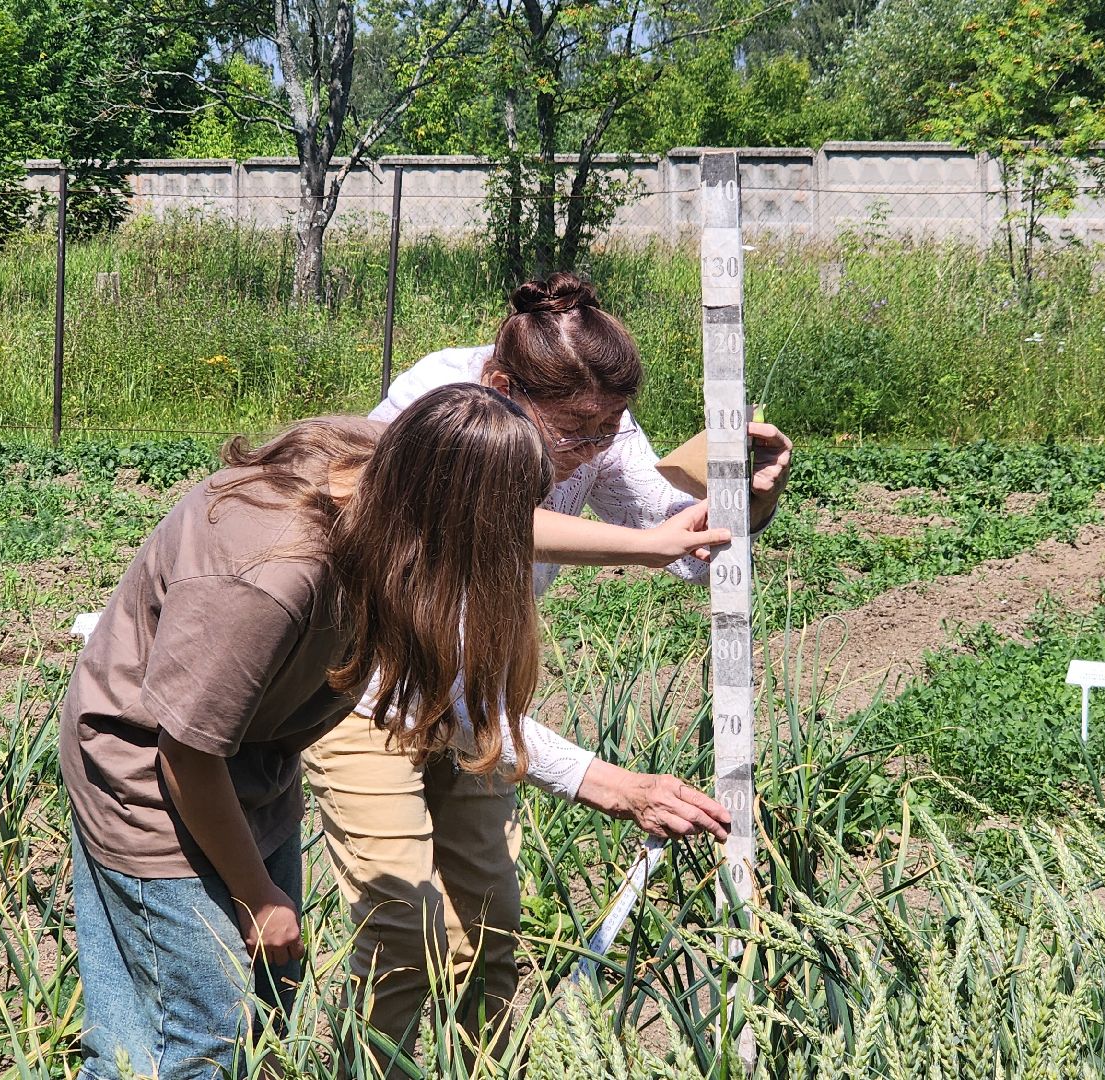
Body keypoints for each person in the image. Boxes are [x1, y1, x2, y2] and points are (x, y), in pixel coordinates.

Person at [62, 385, 701, 1080]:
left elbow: (441, 699)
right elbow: (184, 751)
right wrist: (256, 894)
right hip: (150, 779)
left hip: (251, 762)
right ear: (441, 518)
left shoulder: (390, 486)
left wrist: (603, 781)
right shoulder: (274, 576)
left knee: (262, 1021)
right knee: (196, 1044)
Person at [303, 272, 794, 1073]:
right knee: (400, 926)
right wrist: (601, 780)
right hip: (371, 689)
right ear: (504, 387)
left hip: (480, 695)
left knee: (490, 936)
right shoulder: (440, 402)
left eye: (611, 428)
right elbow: (475, 523)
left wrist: (747, 501)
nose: (597, 447)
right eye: (579, 431)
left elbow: (690, 554)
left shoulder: (595, 425)